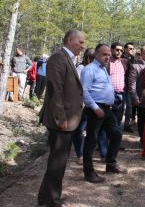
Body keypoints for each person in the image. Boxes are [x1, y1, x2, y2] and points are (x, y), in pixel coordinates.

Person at [38, 29, 85, 207]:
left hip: (67, 120)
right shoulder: (58, 58)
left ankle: (46, 198)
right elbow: (54, 90)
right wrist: (61, 118)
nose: (82, 45)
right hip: (61, 121)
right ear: (70, 40)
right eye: (80, 42)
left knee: (57, 163)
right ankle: (51, 201)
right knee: (57, 164)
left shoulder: (68, 59)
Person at [81, 43, 125, 184]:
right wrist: (95, 108)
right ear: (96, 54)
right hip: (96, 109)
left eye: (108, 55)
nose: (108, 57)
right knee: (91, 140)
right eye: (105, 54)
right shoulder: (89, 69)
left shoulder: (103, 69)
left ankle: (111, 164)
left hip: (107, 109)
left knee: (116, 134)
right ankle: (89, 173)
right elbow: (84, 91)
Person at [72, 48, 95, 165]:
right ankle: (79, 154)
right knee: (79, 130)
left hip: (93, 104)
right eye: (92, 57)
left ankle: (87, 153)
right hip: (81, 105)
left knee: (89, 130)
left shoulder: (97, 69)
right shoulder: (80, 68)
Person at [107, 42, 128, 152]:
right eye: (117, 50)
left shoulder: (124, 62)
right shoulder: (107, 62)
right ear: (111, 50)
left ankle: (115, 143)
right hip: (109, 95)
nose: (119, 52)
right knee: (108, 120)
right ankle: (104, 145)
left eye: (121, 50)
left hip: (121, 95)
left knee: (118, 120)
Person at [128, 45, 145, 144]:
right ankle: (143, 140)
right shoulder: (135, 66)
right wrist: (134, 97)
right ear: (141, 54)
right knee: (142, 121)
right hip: (141, 99)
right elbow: (131, 83)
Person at [122, 42, 137, 132]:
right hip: (121, 85)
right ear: (125, 49)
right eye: (130, 48)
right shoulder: (121, 59)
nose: (132, 50)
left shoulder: (133, 59)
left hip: (129, 85)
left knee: (129, 106)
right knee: (119, 106)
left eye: (132, 48)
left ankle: (126, 124)